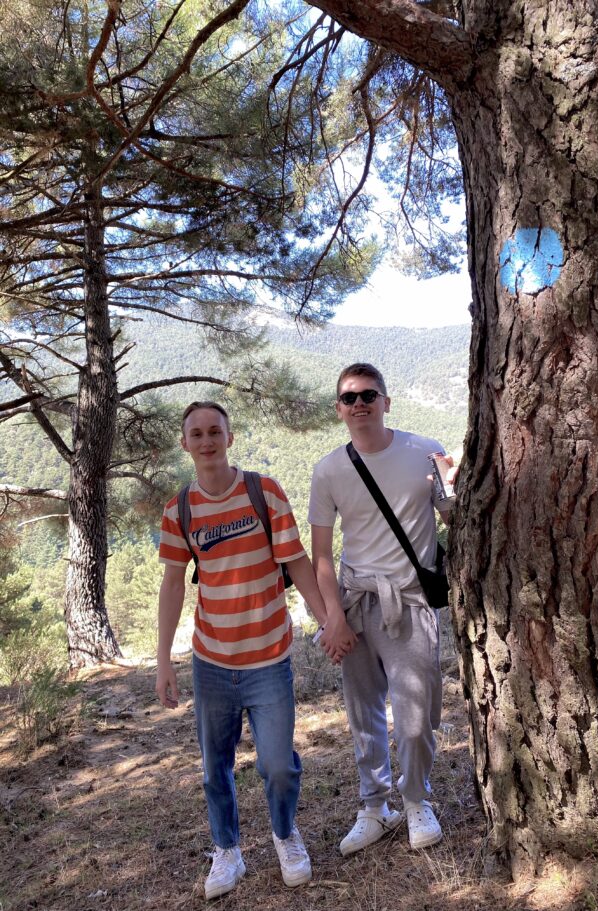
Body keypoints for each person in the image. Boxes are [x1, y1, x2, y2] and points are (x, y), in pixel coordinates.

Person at [156, 400, 329, 900]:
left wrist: (327, 622)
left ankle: (284, 834)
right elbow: (172, 586)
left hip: (269, 659)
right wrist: (164, 660)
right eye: (197, 434)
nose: (207, 441)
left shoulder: (263, 492)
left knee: (277, 765)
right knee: (216, 767)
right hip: (212, 663)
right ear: (185, 443)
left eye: (215, 431)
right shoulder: (179, 510)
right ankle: (227, 850)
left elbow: (296, 563)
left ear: (229, 437)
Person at [308, 363, 456, 857]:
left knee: (416, 715)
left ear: (386, 402)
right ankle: (374, 806)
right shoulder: (329, 470)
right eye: (349, 398)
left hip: (409, 602)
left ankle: (416, 799)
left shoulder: (422, 451)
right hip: (354, 602)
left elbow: (454, 514)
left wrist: (453, 484)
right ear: (339, 410)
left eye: (370, 395)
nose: (360, 404)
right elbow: (322, 556)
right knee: (362, 713)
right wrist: (333, 617)